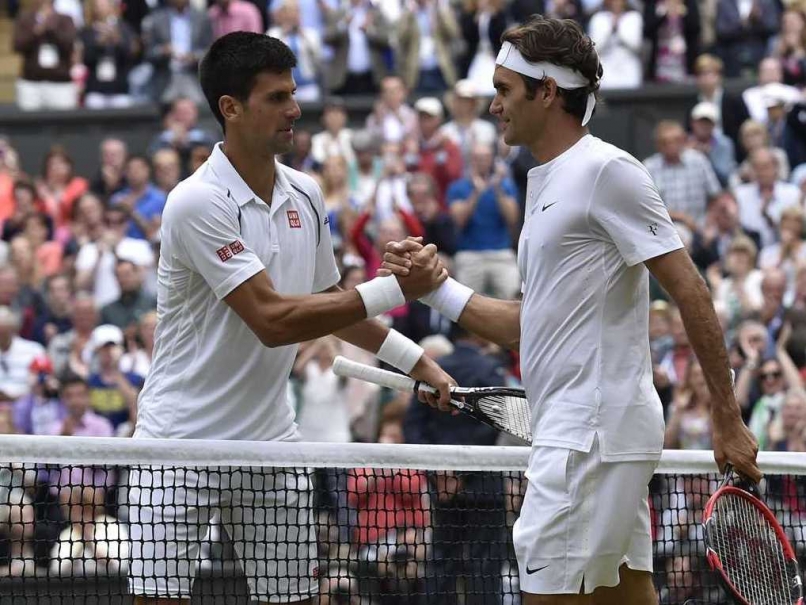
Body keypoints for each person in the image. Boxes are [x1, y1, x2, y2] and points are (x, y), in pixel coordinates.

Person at [381, 15, 761, 605]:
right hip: (588, 434)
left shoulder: (606, 171)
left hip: (592, 437)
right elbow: (529, 326)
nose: (493, 107)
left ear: (547, 92)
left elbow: (690, 290)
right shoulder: (548, 181)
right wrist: (435, 289)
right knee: (624, 595)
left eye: (504, 90)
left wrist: (726, 415)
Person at [126, 31, 453, 605]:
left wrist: (417, 361)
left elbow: (328, 302)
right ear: (231, 108)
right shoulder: (197, 201)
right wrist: (394, 289)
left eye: (293, 94)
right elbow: (274, 319)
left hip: (271, 444)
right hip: (178, 447)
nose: (295, 109)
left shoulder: (306, 192)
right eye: (277, 97)